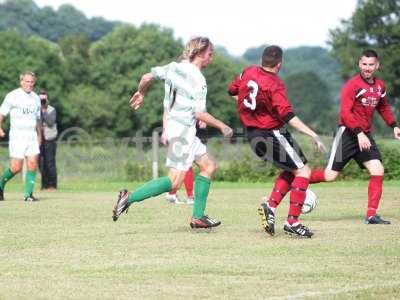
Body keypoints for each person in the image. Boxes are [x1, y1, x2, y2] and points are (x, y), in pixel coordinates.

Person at [112, 37, 233, 228]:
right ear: (200, 53)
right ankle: (129, 198)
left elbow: (146, 77)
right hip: (183, 131)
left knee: (209, 166)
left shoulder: (174, 67)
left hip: (181, 129)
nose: (212, 57)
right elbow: (199, 112)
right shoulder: (199, 79)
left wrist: (141, 93)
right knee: (174, 182)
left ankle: (198, 217)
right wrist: (222, 125)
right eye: (210, 54)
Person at [228, 45, 326, 238]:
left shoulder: (247, 71)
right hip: (272, 133)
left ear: (262, 60)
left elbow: (232, 91)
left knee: (291, 170)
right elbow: (288, 115)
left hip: (253, 135)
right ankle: (292, 222)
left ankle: (270, 207)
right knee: (303, 171)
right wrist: (313, 134)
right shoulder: (275, 84)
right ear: (279, 64)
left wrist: (252, 111)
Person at [309, 49, 400, 224]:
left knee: (377, 170)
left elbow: (383, 107)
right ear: (359, 64)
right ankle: (294, 181)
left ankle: (371, 215)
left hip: (364, 135)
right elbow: (344, 113)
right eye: (364, 64)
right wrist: (358, 133)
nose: (367, 68)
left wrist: (394, 126)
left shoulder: (380, 86)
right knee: (330, 176)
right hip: (348, 134)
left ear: (377, 65)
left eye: (371, 64)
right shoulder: (353, 85)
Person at [0, 71, 42, 202]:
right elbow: (1, 114)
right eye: (27, 81)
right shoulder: (13, 96)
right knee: (16, 167)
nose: (29, 84)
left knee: (33, 163)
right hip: (17, 136)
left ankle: (28, 195)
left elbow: (38, 120)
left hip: (31, 136)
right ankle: (0, 185)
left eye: (32, 82)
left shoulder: (36, 98)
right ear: (21, 82)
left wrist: (40, 136)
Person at [39, 90, 58, 190]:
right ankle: (44, 185)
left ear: (47, 99)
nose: (42, 101)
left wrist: (44, 111)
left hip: (50, 139)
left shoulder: (51, 110)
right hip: (39, 139)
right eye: (40, 99)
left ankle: (52, 185)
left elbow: (50, 122)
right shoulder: (35, 109)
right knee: (41, 163)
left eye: (43, 99)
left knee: (50, 162)